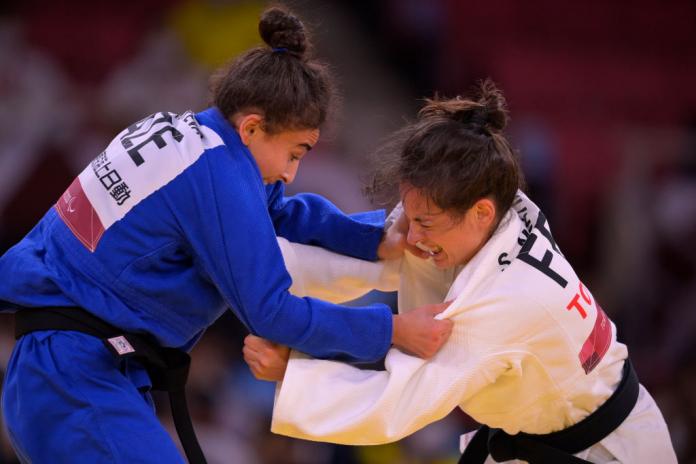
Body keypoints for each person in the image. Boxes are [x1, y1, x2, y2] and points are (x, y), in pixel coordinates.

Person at [0, 7, 453, 464]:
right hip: (74, 380)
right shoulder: (213, 173)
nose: (291, 173)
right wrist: (393, 330)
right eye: (294, 154)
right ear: (252, 127)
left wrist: (371, 237)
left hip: (65, 374)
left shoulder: (180, 136)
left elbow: (276, 209)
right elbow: (273, 314)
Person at [243, 80, 677, 463]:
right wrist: (253, 268)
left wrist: (293, 374)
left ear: (481, 213)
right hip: (554, 433)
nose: (411, 235)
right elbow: (387, 254)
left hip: (604, 453)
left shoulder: (503, 302)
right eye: (409, 215)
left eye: (424, 223)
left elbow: (397, 404)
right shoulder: (503, 209)